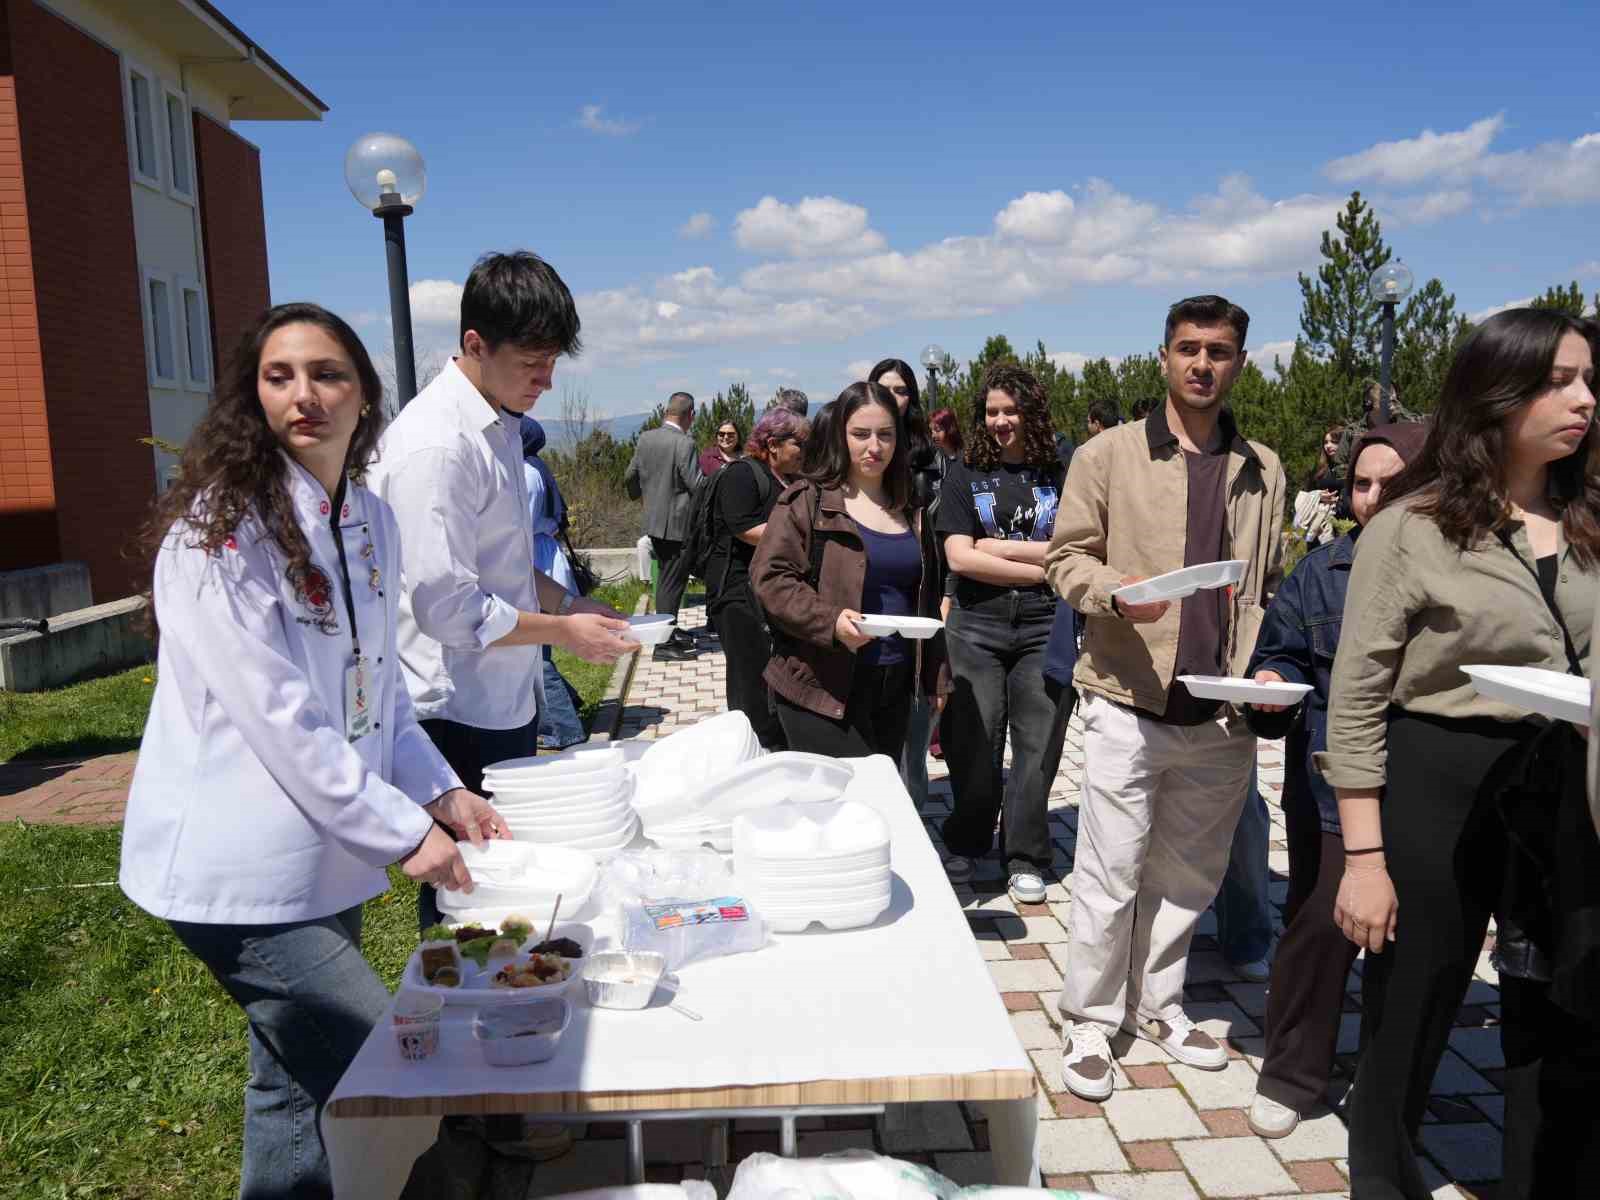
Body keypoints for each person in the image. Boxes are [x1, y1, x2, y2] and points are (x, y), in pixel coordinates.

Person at [120, 303, 503, 1199]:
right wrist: (403, 833)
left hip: (322, 860)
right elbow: (281, 718)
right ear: (251, 398)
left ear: (364, 394)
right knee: (390, 1068)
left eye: (327, 374)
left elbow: (382, 694)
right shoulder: (220, 533)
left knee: (291, 1083)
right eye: (279, 376)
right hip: (239, 870)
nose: (304, 395)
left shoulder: (369, 518)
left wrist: (443, 795)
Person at [1319, 308, 1598, 1198]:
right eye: (1558, 381)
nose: (1584, 400)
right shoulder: (1415, 527)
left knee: (1561, 1016)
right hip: (1439, 776)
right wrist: (1363, 858)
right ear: (1496, 392)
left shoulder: (1589, 516)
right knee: (1411, 1014)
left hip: (1567, 782)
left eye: (1590, 380)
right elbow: (1356, 696)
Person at [1046, 294, 1287, 1101]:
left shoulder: (1263, 468)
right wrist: (1118, 593)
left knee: (1188, 876)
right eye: (1188, 348)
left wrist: (1263, 672)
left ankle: (1159, 1005)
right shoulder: (1108, 455)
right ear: (1163, 357)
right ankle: (1087, 1017)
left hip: (1220, 710)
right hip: (1127, 695)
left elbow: (1269, 586)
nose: (1202, 364)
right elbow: (1065, 560)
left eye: (1219, 351)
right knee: (1110, 869)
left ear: (1239, 363)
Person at [369, 250, 634, 933]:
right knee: (468, 899)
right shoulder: (437, 446)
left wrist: (567, 602)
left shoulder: (498, 424)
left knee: (504, 882)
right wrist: (564, 633)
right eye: (532, 363)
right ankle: (462, 1018)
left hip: (500, 697)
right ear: (474, 345)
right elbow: (448, 606)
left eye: (553, 363)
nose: (546, 380)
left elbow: (505, 565)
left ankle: (504, 1005)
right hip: (454, 708)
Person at [1238, 422, 1427, 1140]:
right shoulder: (1321, 573)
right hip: (1328, 786)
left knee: (1411, 939)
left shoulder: (1461, 570)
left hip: (1425, 789)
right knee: (1321, 924)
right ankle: (1292, 1071)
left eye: (1392, 483)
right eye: (1362, 483)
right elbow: (1282, 653)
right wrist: (1269, 680)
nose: (1372, 498)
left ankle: (1391, 1078)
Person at [936, 363, 1074, 907]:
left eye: (1010, 410)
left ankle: (1026, 855)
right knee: (977, 741)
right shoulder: (966, 472)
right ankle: (968, 839)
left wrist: (1000, 549)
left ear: (1031, 412)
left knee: (1039, 745)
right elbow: (959, 557)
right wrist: (1046, 567)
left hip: (1045, 625)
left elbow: (1083, 544)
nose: (1000, 421)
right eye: (991, 411)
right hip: (976, 624)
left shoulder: (1061, 469)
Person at [753, 381, 949, 759]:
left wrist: (937, 673)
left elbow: (924, 598)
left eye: (885, 435)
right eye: (861, 434)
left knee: (878, 800)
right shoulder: (807, 500)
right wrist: (830, 622)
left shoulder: (913, 507)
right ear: (841, 436)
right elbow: (771, 577)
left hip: (894, 685)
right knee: (847, 802)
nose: (874, 447)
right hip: (821, 688)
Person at [707, 409, 808, 751]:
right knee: (749, 672)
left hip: (770, 591)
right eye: (799, 443)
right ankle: (750, 746)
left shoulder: (792, 479)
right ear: (773, 444)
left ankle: (776, 739)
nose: (804, 450)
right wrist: (799, 534)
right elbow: (744, 528)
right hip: (736, 594)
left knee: (773, 669)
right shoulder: (743, 475)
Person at [870, 358, 945, 809]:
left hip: (920, 608)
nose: (892, 398)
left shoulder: (929, 462)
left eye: (901, 390)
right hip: (868, 612)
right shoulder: (850, 463)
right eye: (883, 388)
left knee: (914, 741)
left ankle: (916, 832)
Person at [521, 415, 586, 751]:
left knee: (536, 654)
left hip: (534, 560)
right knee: (538, 648)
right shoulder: (537, 467)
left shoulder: (526, 474)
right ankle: (568, 705)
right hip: (542, 556)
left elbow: (521, 525)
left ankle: (565, 727)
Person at [626, 392, 704, 661]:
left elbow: (630, 476)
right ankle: (664, 645)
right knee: (673, 583)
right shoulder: (685, 443)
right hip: (679, 525)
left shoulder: (646, 438)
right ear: (689, 415)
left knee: (667, 583)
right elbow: (696, 484)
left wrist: (643, 498)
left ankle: (668, 631)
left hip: (654, 522)